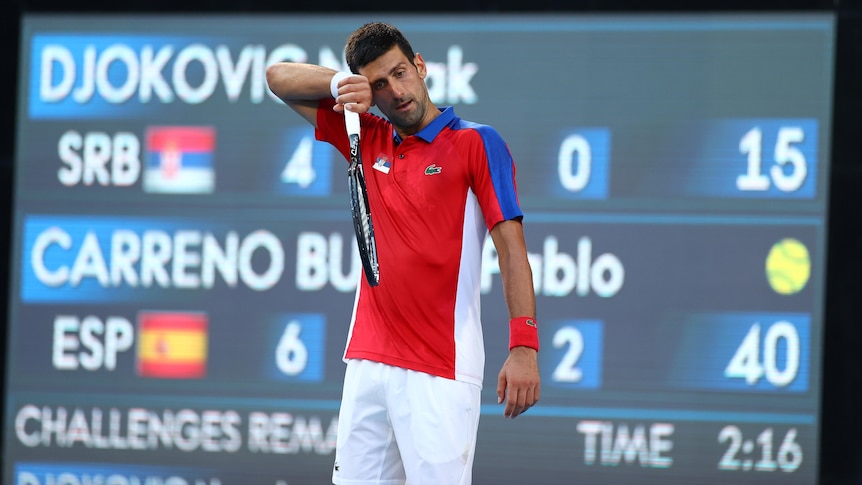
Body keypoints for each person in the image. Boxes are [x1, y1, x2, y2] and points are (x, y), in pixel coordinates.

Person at [266, 22, 540, 485]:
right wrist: (339, 85)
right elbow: (277, 78)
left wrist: (524, 345)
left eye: (399, 73)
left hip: (442, 369)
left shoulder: (477, 141)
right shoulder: (366, 135)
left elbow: (511, 248)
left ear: (420, 66)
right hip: (368, 362)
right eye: (378, 84)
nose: (395, 91)